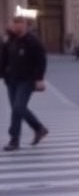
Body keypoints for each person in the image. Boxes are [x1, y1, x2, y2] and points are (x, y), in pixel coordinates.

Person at [0, 15, 49, 151]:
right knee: (17, 109)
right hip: (11, 80)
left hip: (27, 80)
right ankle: (32, 131)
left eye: (19, 23)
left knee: (18, 107)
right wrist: (3, 73)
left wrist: (39, 79)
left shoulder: (32, 41)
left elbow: (41, 60)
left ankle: (22, 136)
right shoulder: (10, 40)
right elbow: (3, 58)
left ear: (25, 25)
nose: (16, 25)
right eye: (14, 23)